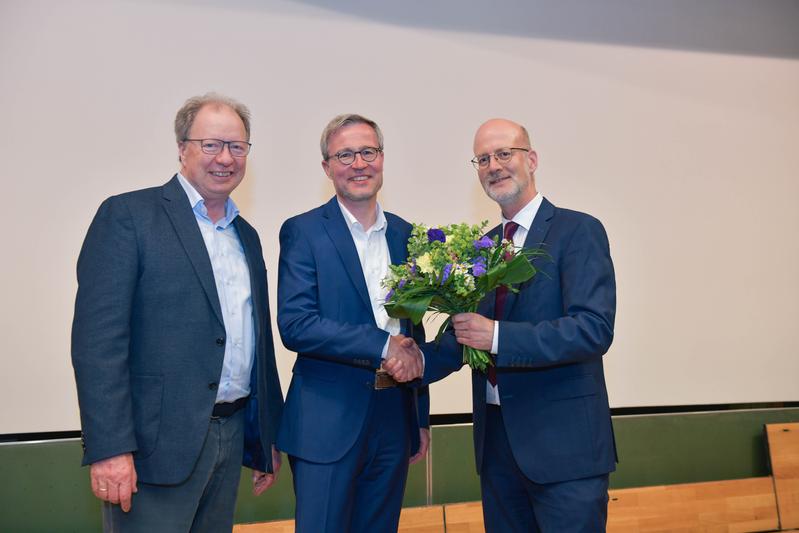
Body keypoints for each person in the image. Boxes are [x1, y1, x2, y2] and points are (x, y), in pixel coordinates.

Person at [71, 93, 284, 532]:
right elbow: (98, 345)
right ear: (182, 148)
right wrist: (110, 449)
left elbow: (255, 342)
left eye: (237, 147)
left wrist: (264, 438)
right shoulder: (129, 216)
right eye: (211, 144)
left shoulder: (247, 235)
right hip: (151, 451)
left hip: (231, 435)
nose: (225, 158)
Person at [418, 118, 617, 532]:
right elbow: (465, 337)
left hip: (566, 451)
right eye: (483, 158)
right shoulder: (482, 248)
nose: (494, 165)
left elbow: (593, 328)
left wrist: (499, 336)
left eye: (504, 153)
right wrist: (402, 362)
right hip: (498, 449)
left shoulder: (577, 230)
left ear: (532, 159)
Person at [276, 113, 429, 533]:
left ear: (382, 159)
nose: (359, 163)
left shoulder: (408, 236)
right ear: (326, 167)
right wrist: (382, 345)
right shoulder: (303, 232)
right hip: (326, 422)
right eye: (345, 154)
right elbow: (297, 325)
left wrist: (419, 418)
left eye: (368, 152)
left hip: (394, 417)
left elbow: (414, 334)